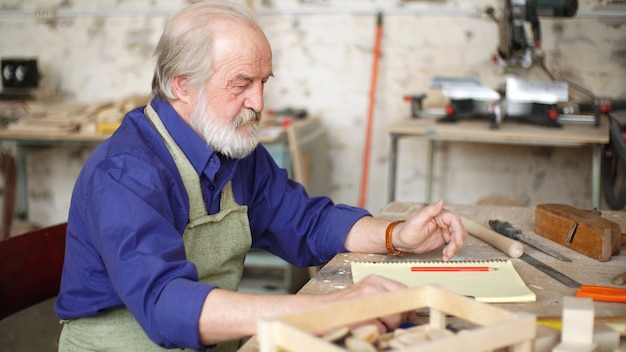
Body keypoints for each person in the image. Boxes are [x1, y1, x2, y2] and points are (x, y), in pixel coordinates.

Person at [54, 1, 468, 351]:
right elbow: (164, 303)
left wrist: (396, 236)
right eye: (242, 84)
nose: (259, 101)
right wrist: (334, 309)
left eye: (263, 81)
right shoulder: (126, 171)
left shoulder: (233, 147)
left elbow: (305, 222)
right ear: (182, 84)